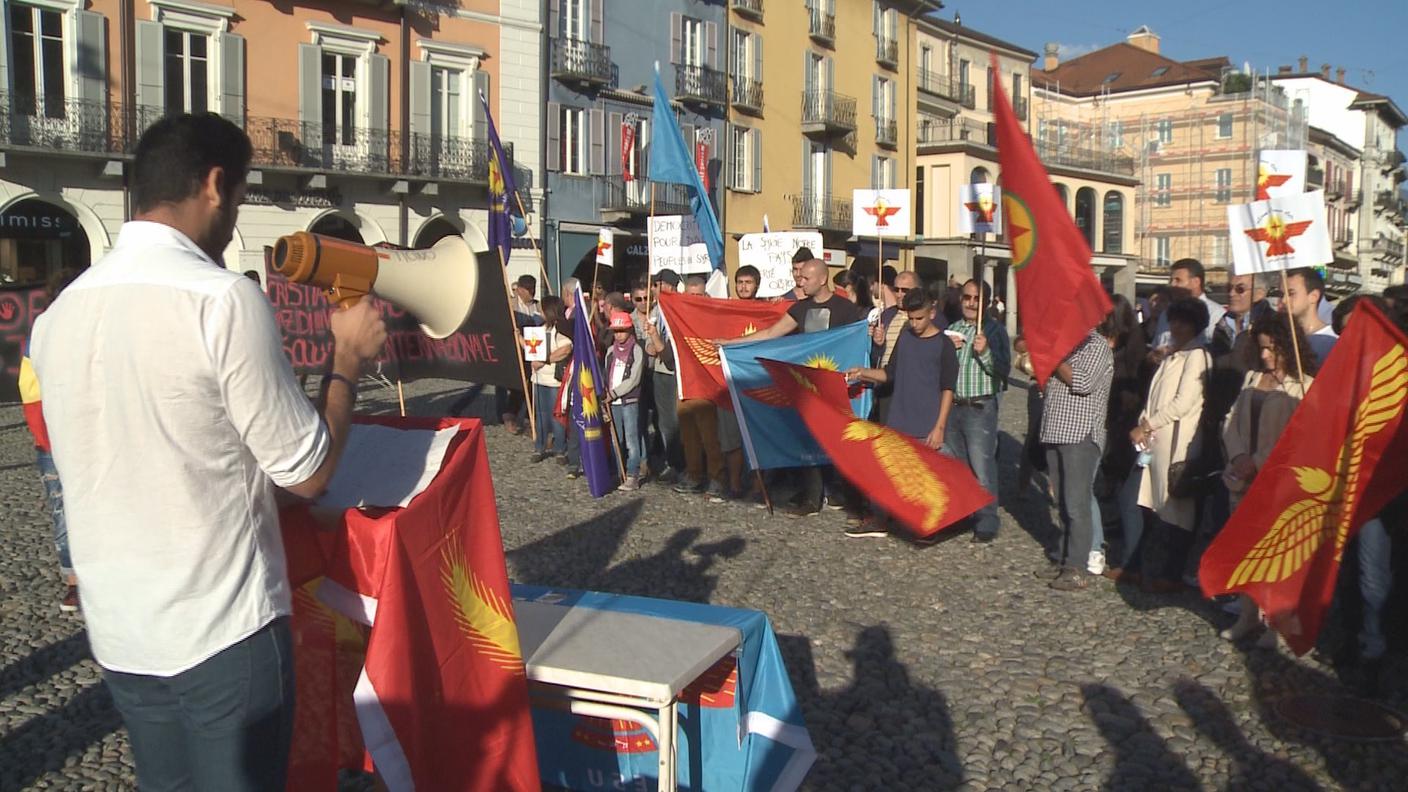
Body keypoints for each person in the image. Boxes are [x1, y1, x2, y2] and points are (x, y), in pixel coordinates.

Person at [29, 113, 387, 790]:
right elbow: (309, 472)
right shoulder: (222, 299)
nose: (236, 214)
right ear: (216, 184)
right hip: (223, 632)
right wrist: (346, 357)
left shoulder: (60, 315)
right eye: (244, 194)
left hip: (122, 630)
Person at [719, 255, 862, 516]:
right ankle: (811, 497)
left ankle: (843, 493)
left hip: (834, 385)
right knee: (807, 438)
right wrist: (729, 343)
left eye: (806, 278)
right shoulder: (800, 308)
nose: (800, 282)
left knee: (838, 440)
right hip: (806, 386)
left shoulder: (846, 309)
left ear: (822, 278)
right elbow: (772, 333)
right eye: (800, 277)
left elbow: (855, 342)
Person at [1217, 314, 1313, 646]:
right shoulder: (1252, 379)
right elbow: (1230, 421)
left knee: (1277, 555)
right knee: (1246, 552)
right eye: (1262, 349)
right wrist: (1238, 456)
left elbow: (1297, 441)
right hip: (1242, 480)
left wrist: (1256, 462)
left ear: (1289, 346)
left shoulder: (1304, 387)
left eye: (1272, 349)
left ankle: (1277, 622)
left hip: (1277, 486)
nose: (1266, 356)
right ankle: (1247, 615)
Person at [844, 288, 958, 537]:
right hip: (899, 417)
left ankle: (936, 524)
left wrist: (939, 426)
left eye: (920, 318)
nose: (915, 324)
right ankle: (880, 519)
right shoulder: (905, 338)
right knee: (886, 471)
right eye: (911, 318)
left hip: (926, 422)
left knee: (928, 478)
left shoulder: (944, 345)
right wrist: (863, 372)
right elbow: (890, 373)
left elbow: (948, 388)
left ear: (932, 313)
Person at [1129, 297, 1211, 593]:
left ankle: (1171, 573)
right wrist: (1144, 419)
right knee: (1153, 507)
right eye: (1174, 320)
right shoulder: (1174, 355)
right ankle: (1149, 568)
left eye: (1183, 322)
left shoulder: (1197, 357)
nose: (1177, 326)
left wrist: (1147, 424)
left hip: (1178, 443)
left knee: (1175, 511)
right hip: (1156, 441)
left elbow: (1184, 402)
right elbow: (1155, 396)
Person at [19, 267, 83, 612]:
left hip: (79, 438)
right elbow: (32, 395)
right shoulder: (43, 332)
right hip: (57, 441)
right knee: (64, 511)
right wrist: (48, 440)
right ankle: (74, 580)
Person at [1039, 323, 1115, 590]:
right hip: (1056, 429)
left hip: (1080, 434)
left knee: (1076, 503)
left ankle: (1076, 567)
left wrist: (1055, 360)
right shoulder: (1066, 345)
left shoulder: (1096, 346)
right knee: (1060, 501)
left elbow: (1082, 382)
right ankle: (1063, 557)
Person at [943, 279, 1010, 543]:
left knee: (982, 466)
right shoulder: (953, 329)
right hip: (954, 405)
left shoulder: (994, 331)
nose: (970, 303)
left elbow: (1003, 370)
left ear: (986, 303)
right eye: (967, 298)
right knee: (957, 467)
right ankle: (961, 514)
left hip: (980, 407)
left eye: (976, 299)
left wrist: (985, 353)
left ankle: (986, 519)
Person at [1099, 295, 1150, 580]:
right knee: (1120, 483)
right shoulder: (1113, 341)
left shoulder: (1131, 345)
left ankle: (1133, 559)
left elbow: (1132, 380)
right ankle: (1122, 527)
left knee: (1131, 488)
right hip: (1114, 416)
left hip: (1126, 418)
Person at [674, 275, 725, 499]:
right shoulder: (678, 315)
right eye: (690, 295)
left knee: (710, 436)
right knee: (689, 436)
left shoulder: (713, 316)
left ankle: (717, 477)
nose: (694, 299)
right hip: (685, 383)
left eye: (698, 295)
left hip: (706, 385)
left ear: (705, 295)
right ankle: (694, 474)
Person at [717, 266, 760, 498]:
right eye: (740, 282)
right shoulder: (726, 309)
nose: (744, 287)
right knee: (731, 439)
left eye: (748, 282)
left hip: (755, 384)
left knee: (756, 439)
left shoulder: (766, 309)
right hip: (729, 382)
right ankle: (734, 484)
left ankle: (756, 486)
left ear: (757, 285)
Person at [644, 269, 683, 483]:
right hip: (659, 369)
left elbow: (669, 344)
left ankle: (677, 463)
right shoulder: (657, 309)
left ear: (666, 286)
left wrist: (657, 343)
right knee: (663, 420)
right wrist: (652, 343)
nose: (652, 290)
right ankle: (670, 458)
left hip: (671, 370)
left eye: (655, 285)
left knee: (672, 421)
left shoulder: (675, 308)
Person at [604, 311, 645, 491]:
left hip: (628, 401)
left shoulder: (636, 350)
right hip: (613, 403)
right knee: (616, 439)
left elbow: (634, 378)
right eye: (616, 331)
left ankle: (632, 474)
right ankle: (616, 471)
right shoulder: (611, 351)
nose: (619, 334)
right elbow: (606, 373)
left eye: (622, 330)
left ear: (629, 330)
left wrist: (614, 393)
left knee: (631, 439)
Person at [530, 295, 573, 464]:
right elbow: (531, 350)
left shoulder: (560, 329)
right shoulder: (540, 330)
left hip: (554, 381)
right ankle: (539, 447)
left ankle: (560, 449)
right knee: (540, 415)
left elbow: (566, 348)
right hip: (539, 379)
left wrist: (545, 360)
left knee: (557, 416)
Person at [1152, 259, 1225, 348]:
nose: (1172, 284)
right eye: (1171, 280)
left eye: (1178, 280)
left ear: (1196, 282)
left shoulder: (1216, 314)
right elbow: (1156, 345)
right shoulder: (1166, 314)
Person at [1282, 267, 1337, 370]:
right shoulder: (1280, 338)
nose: (1284, 300)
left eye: (1291, 293)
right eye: (1282, 294)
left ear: (1313, 296)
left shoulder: (1335, 340)